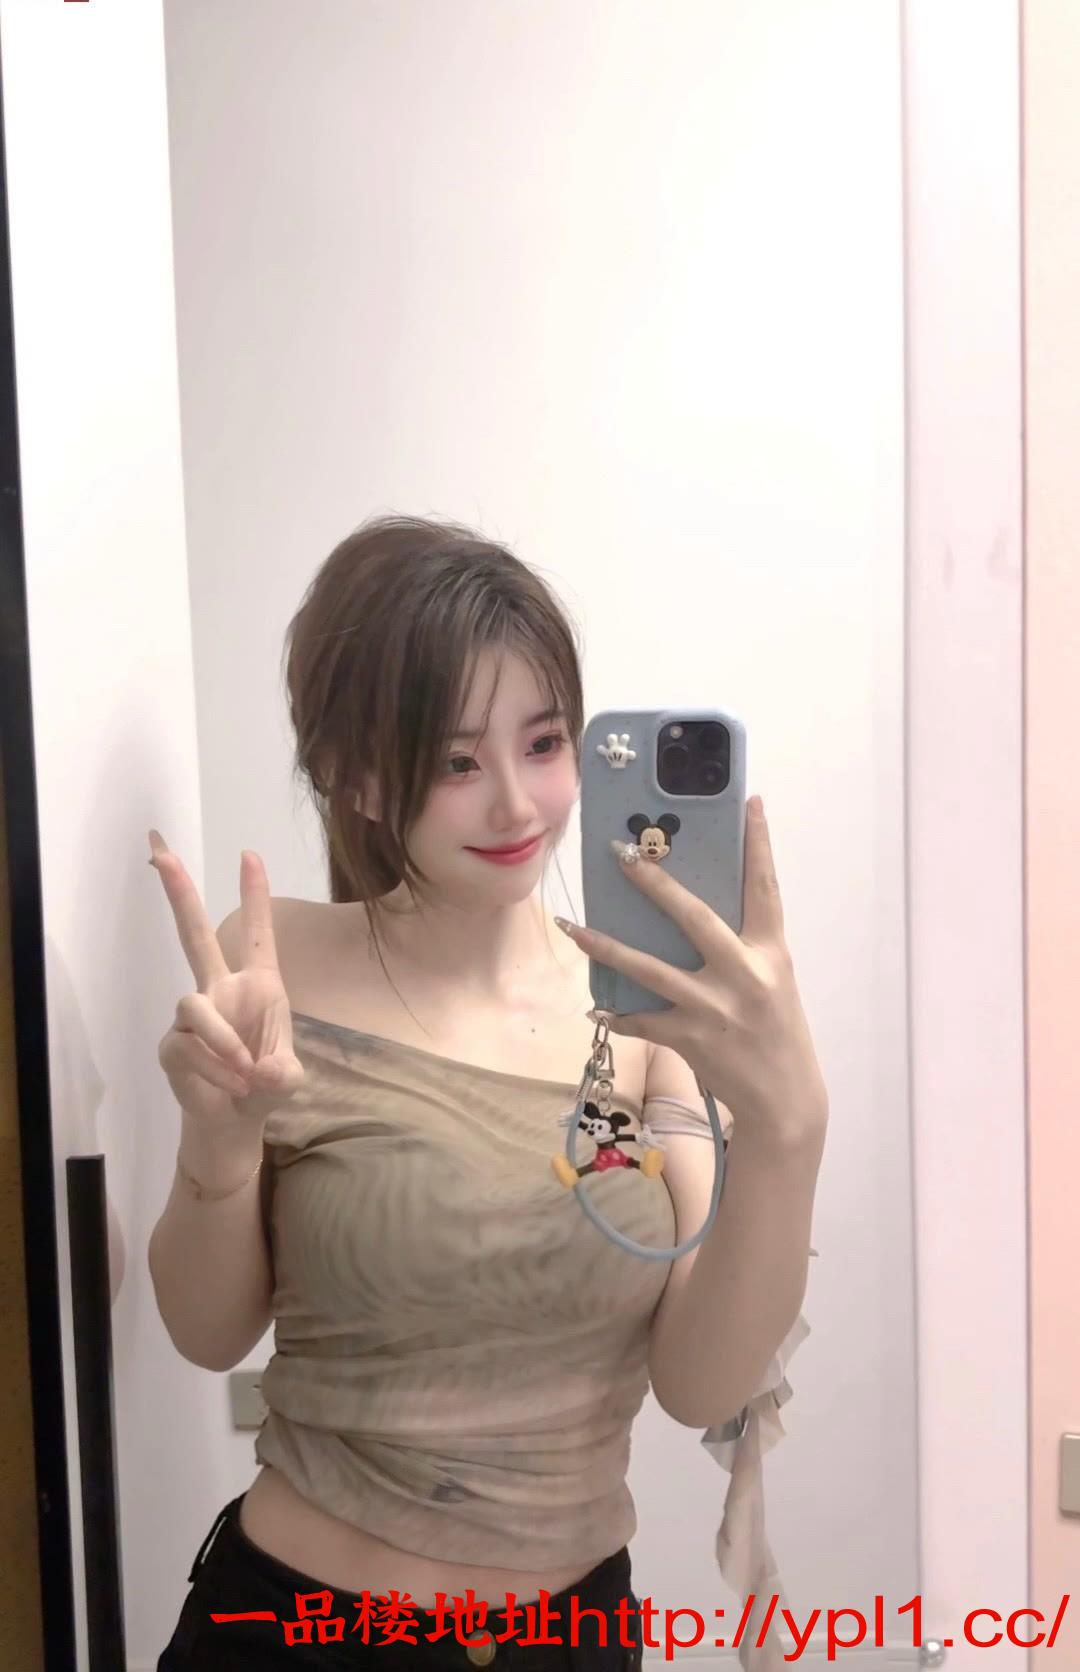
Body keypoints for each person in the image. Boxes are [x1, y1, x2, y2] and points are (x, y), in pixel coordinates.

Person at [147, 514, 825, 1671]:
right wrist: (219, 1148)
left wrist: (788, 1129)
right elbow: (210, 1335)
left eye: (545, 742)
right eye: (457, 762)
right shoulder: (280, 968)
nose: (517, 804)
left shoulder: (641, 1015)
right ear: (357, 776)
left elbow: (697, 1381)